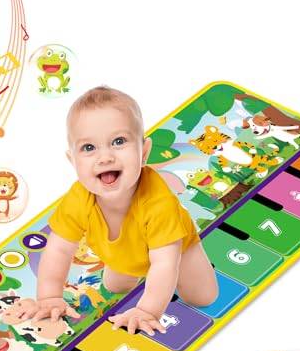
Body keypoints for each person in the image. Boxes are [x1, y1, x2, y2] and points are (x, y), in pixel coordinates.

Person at [23, 86, 218, 335]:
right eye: (88, 148)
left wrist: (147, 311)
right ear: (73, 161)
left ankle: (189, 273)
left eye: (119, 142)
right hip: (123, 253)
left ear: (143, 153)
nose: (105, 157)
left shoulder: (159, 203)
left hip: (177, 248)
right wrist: (49, 296)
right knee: (115, 287)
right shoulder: (79, 197)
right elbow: (59, 249)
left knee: (203, 297)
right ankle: (133, 272)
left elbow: (164, 264)